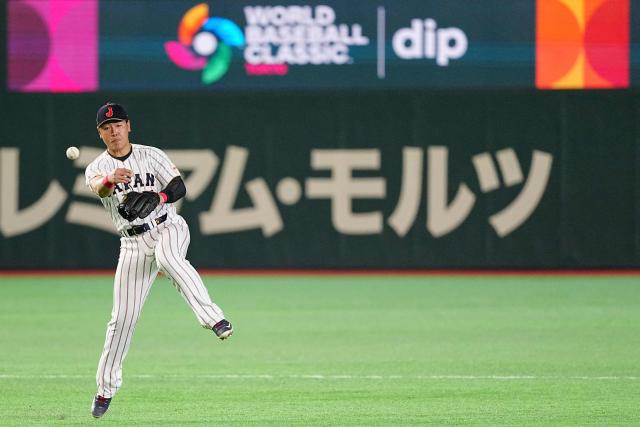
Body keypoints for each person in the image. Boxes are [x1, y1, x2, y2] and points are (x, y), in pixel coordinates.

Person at [85, 102, 233, 418]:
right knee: (121, 320)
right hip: (133, 245)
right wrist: (111, 179)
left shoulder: (151, 155)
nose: (114, 131)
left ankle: (214, 318)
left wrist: (160, 197)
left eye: (119, 124)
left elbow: (179, 186)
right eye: (107, 127)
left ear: (129, 126)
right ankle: (104, 390)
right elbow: (100, 189)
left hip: (168, 226)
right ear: (101, 133)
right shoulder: (97, 167)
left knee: (168, 258)